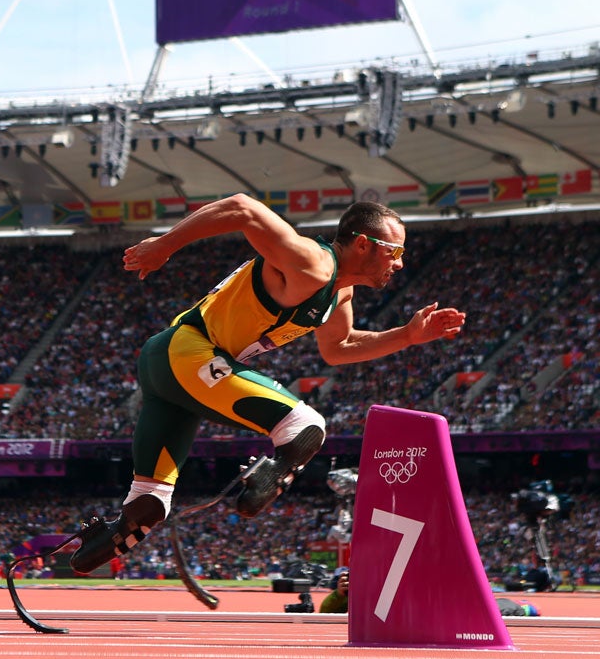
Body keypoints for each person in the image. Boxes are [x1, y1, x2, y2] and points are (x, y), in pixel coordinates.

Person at [70, 195, 466, 574]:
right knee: (304, 425)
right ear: (363, 244)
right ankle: (263, 480)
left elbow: (340, 348)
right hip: (189, 353)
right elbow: (242, 208)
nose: (400, 263)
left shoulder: (338, 291)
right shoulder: (313, 262)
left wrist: (407, 336)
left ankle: (92, 548)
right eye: (394, 251)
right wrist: (165, 245)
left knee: (151, 501)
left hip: (173, 370)